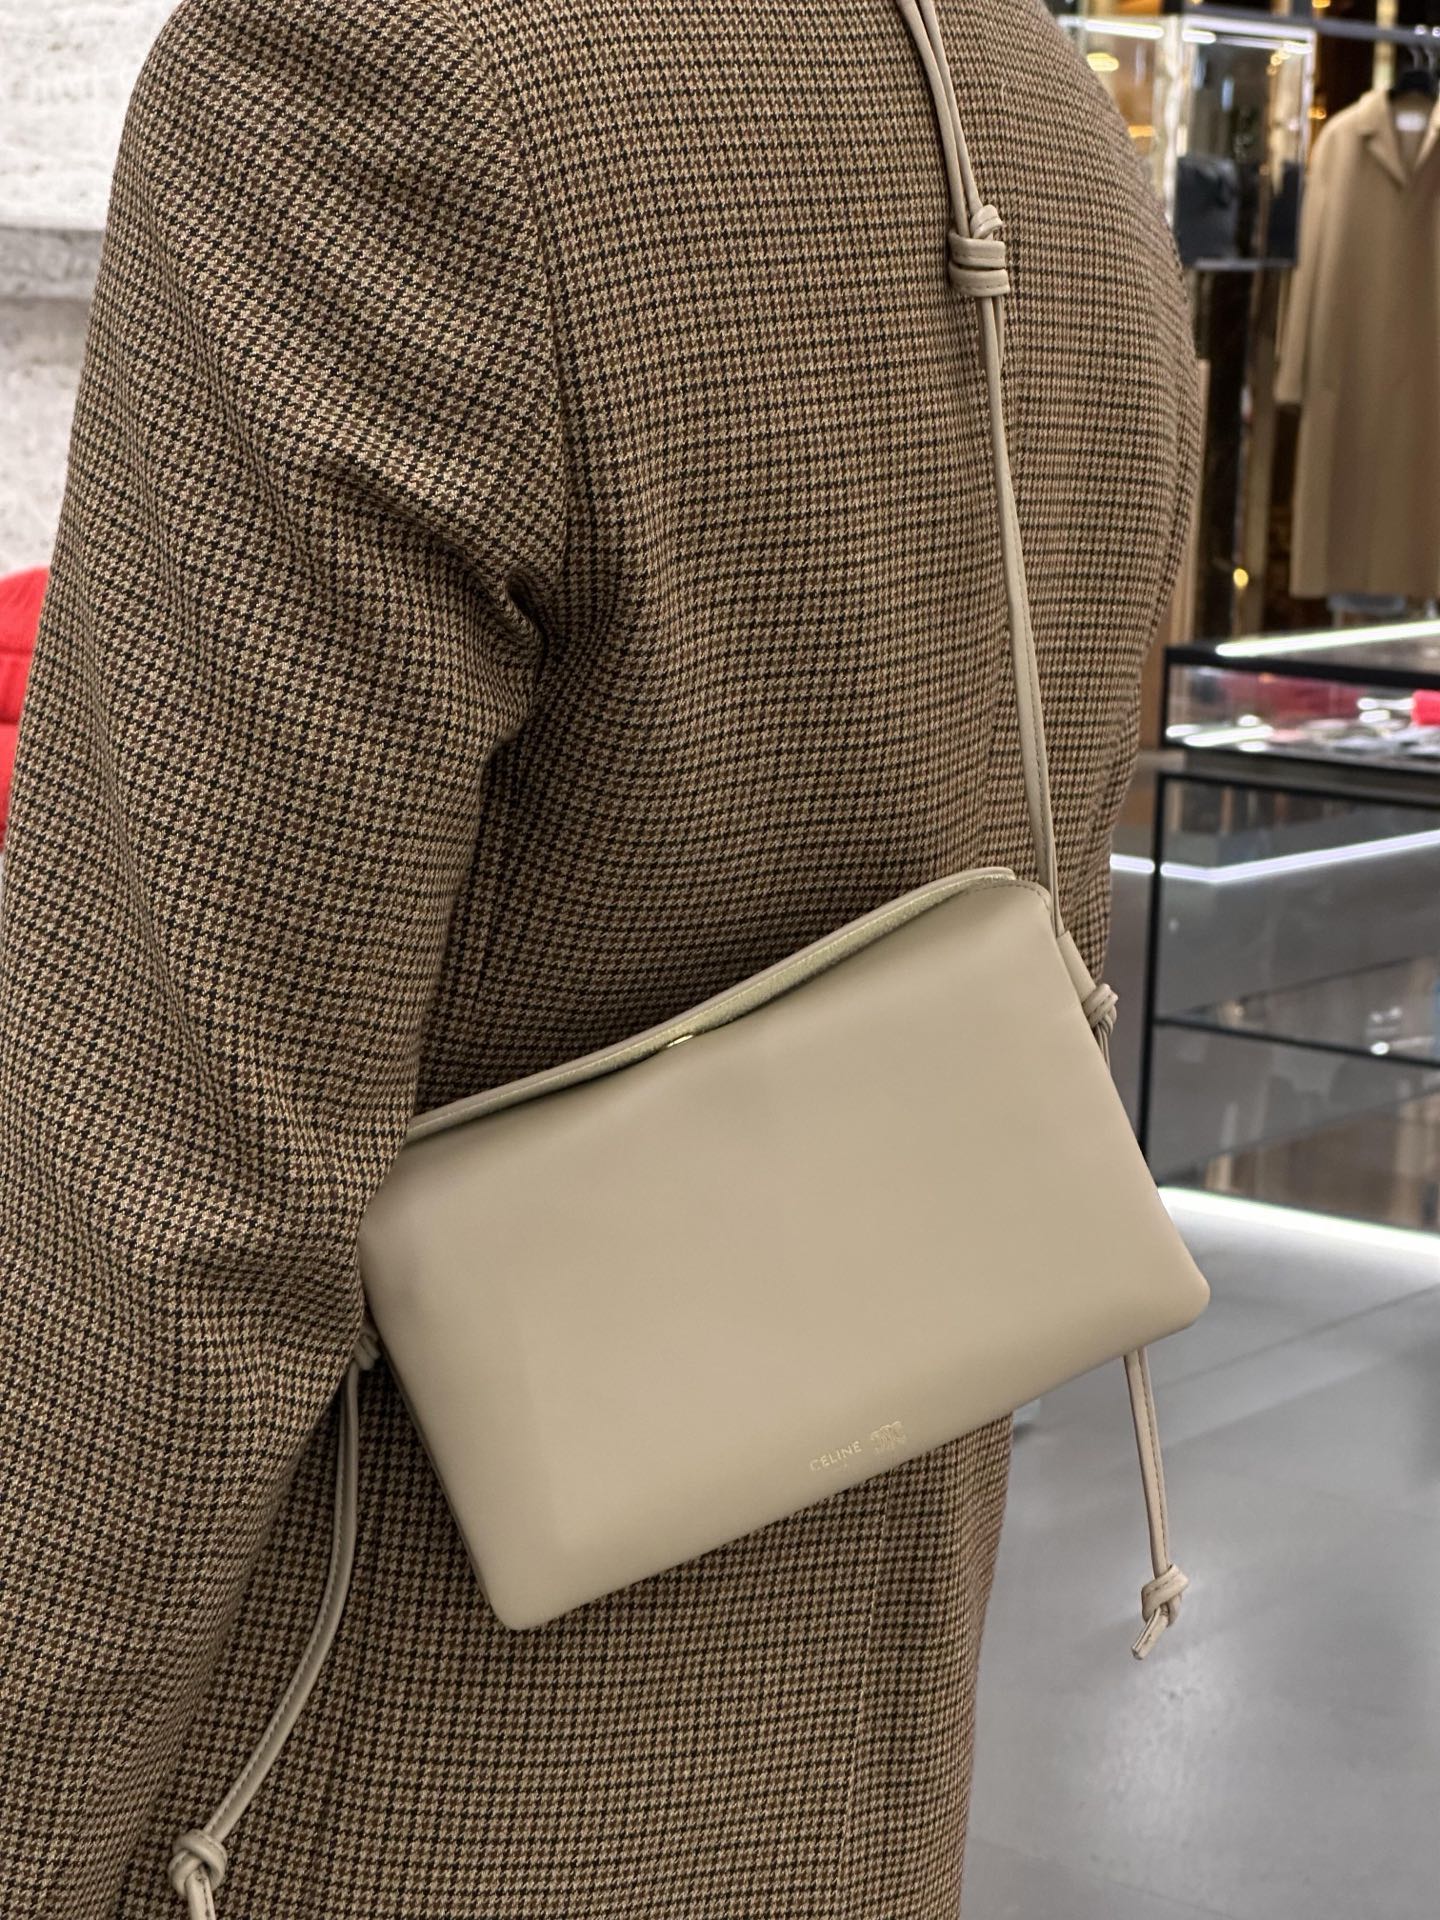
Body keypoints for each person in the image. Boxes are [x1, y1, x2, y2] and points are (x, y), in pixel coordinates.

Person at [0, 0, 1198, 1912]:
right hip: (857, 1766)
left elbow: (161, 1211)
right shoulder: (1050, 119)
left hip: (358, 1794)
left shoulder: (368, 77)